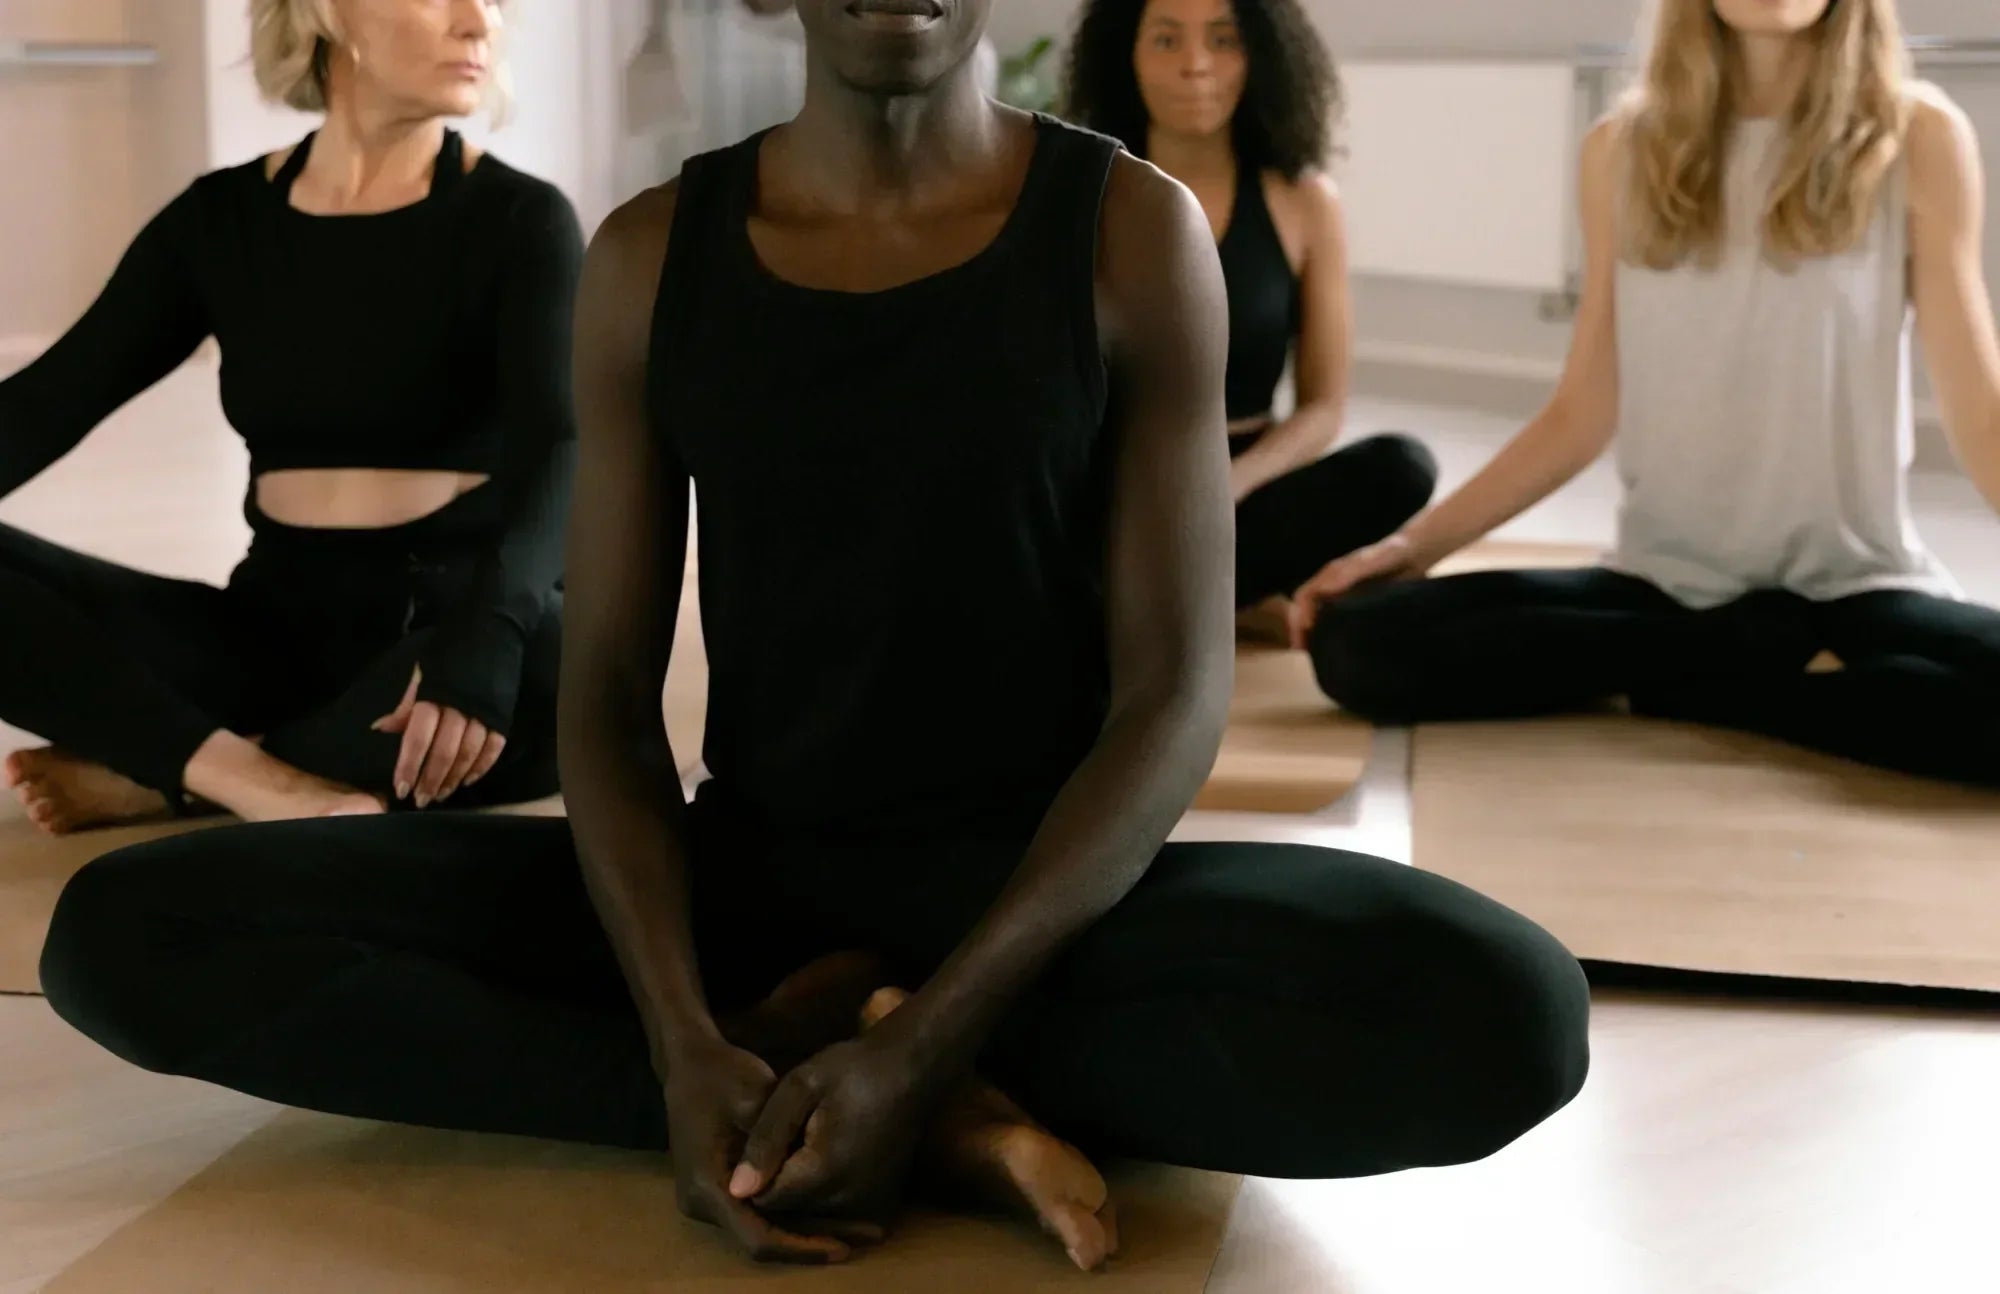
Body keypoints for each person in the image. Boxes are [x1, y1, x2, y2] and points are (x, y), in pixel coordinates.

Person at [38, 0, 1590, 1271]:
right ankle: (878, 1100)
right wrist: (674, 1033)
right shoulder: (653, 252)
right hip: (753, 890)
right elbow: (612, 709)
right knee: (128, 937)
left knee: (1505, 1011)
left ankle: (877, 1066)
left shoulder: (1128, 230)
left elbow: (1174, 695)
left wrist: (933, 1031)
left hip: (1049, 892)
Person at [1292, 0, 2000, 788]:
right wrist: (1405, 549)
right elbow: (1580, 414)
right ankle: (1749, 662)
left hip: (1855, 586)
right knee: (1355, 644)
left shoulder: (1919, 136)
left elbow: (1982, 417)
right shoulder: (1621, 149)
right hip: (1665, 589)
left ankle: (1733, 695)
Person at [0, 0, 580, 832]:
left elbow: (562, 447)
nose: (478, 22)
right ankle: (249, 773)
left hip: (440, 639)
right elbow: (42, 404)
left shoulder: (522, 221)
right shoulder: (220, 221)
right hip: (264, 635)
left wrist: (492, 623)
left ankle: (173, 774)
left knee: (553, 654)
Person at [1064, 0, 1437, 620]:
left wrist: (1228, 486)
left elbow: (1323, 407)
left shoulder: (1307, 203)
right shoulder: (1079, 193)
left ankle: (1170, 602)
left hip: (1243, 495)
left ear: (1261, 54)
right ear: (1124, 56)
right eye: (1165, 40)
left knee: (1402, 467)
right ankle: (1218, 603)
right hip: (1117, 494)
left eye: (1223, 39)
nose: (1196, 65)